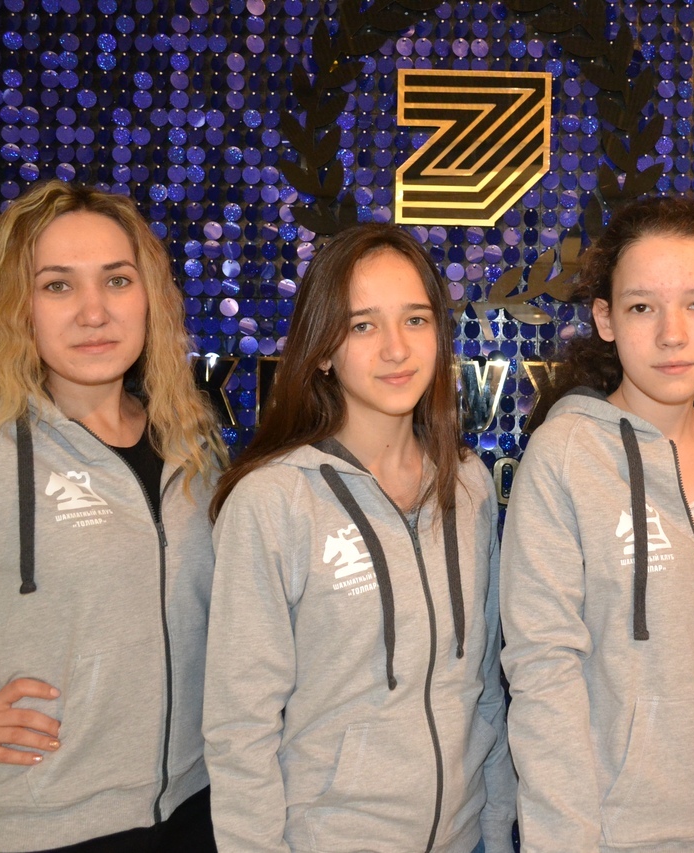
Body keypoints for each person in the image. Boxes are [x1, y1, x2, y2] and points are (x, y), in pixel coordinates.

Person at [0, 180, 225, 851]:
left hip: (200, 810)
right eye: (58, 285)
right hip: (45, 828)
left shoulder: (191, 441)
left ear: (149, 296)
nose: (94, 311)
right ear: (16, 307)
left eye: (117, 280)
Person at [499, 196, 694, 852]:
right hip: (615, 837)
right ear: (606, 319)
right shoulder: (565, 456)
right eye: (643, 307)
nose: (672, 334)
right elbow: (543, 676)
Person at [202, 222, 515, 853]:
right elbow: (240, 728)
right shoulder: (275, 500)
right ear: (322, 350)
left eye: (416, 320)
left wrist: (494, 825)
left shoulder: (469, 484)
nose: (396, 349)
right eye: (363, 325)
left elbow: (484, 685)